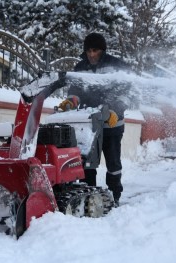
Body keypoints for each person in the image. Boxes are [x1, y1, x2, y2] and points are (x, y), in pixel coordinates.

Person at [60, 32, 130, 206]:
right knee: (87, 161)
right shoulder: (80, 67)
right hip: (89, 124)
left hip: (112, 123)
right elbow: (75, 90)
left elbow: (126, 94)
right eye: (89, 50)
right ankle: (89, 195)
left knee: (113, 162)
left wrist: (116, 110)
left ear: (102, 50)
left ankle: (114, 195)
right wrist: (72, 99)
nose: (91, 54)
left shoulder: (116, 66)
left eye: (95, 50)